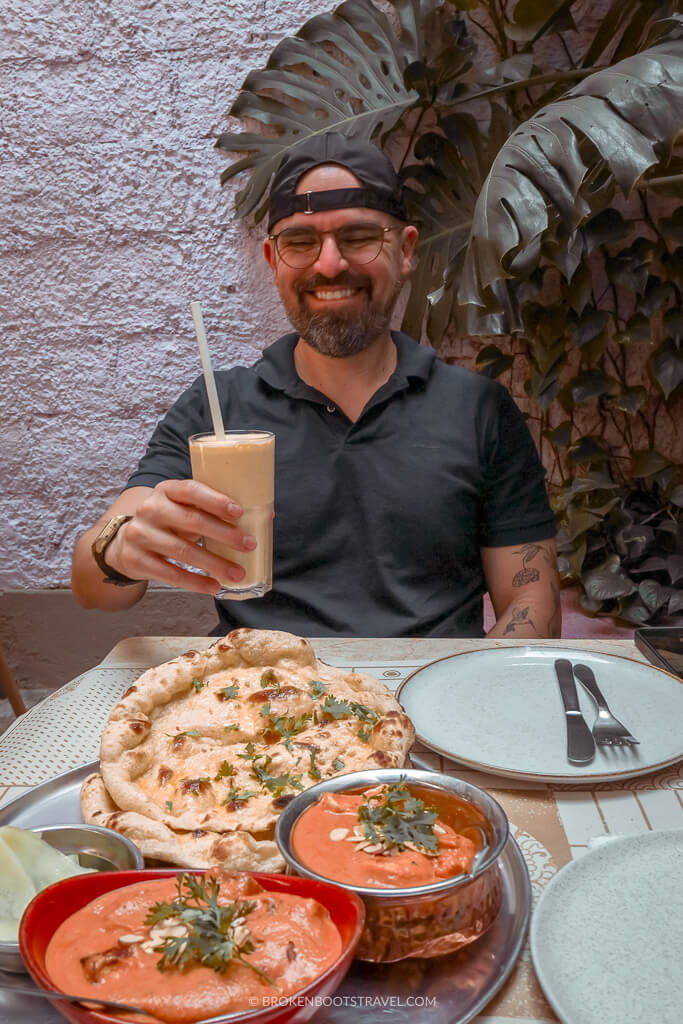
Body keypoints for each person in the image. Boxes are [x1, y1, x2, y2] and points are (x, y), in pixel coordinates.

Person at [72, 132, 560, 639]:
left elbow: (531, 598)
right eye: (301, 243)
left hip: (428, 695)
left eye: (359, 237)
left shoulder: (477, 408)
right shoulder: (219, 406)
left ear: (406, 249)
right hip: (261, 697)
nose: (330, 264)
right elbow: (92, 588)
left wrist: (470, 696)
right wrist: (119, 551)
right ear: (273, 261)